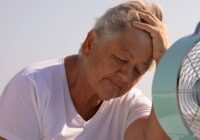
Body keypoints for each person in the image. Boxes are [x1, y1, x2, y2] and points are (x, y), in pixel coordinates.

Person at [0, 0, 170, 140]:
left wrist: (166, 62)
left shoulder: (129, 105)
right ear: (90, 43)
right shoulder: (32, 87)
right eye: (120, 59)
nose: (126, 78)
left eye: (138, 71)